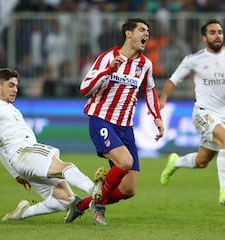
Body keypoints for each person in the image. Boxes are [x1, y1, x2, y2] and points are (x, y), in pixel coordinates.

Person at [65, 18, 164, 225]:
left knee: (129, 190)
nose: (147, 34)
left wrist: (157, 117)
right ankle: (98, 206)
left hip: (125, 127)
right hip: (102, 120)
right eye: (142, 30)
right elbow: (84, 88)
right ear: (128, 33)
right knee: (125, 162)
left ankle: (81, 205)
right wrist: (108, 70)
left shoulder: (145, 64)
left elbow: (149, 90)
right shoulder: (108, 57)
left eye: (148, 31)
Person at [0, 68, 103, 221]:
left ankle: (23, 213)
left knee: (65, 200)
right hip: (25, 153)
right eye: (11, 85)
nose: (15, 90)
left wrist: (16, 175)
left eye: (16, 86)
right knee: (65, 167)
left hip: (25, 160)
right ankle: (94, 189)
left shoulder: (9, 108)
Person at [159, 19, 225, 206]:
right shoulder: (194, 59)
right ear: (204, 38)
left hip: (223, 117)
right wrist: (163, 99)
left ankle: (175, 162)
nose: (217, 35)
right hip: (202, 113)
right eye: (212, 32)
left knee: (201, 161)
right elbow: (173, 80)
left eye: (219, 32)